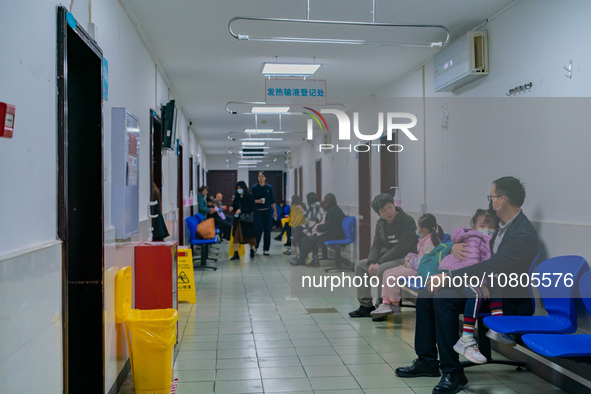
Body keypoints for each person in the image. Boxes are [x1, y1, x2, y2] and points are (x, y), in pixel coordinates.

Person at [395, 176, 539, 394]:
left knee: (443, 299)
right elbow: (475, 248)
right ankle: (427, 362)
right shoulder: (497, 225)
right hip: (480, 286)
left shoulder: (523, 233)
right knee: (426, 294)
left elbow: (494, 266)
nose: (490, 202)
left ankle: (453, 373)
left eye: (492, 197)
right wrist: (454, 248)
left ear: (502, 199)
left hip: (503, 298)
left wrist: (448, 277)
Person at [434, 209, 502, 364]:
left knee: (495, 284)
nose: (487, 228)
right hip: (456, 273)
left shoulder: (486, 240)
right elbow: (472, 263)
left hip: (461, 273)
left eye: (491, 226)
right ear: (474, 225)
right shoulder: (476, 238)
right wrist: (481, 284)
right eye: (482, 225)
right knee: (476, 293)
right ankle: (466, 339)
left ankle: (498, 325)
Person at [349, 193, 418, 319]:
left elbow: (402, 247)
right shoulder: (381, 223)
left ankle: (382, 307)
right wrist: (371, 262)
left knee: (382, 269)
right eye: (383, 210)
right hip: (387, 257)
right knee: (360, 266)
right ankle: (365, 306)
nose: (389, 212)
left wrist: (379, 262)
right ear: (379, 213)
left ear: (394, 205)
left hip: (406, 258)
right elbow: (376, 245)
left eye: (390, 207)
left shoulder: (407, 220)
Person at [370, 213, 443, 318]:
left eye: (418, 226)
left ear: (424, 229)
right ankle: (385, 303)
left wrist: (410, 262)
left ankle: (395, 305)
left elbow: (424, 263)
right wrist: (409, 258)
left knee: (391, 277)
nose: (416, 229)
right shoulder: (424, 240)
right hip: (415, 267)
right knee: (386, 272)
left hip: (420, 271)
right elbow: (419, 255)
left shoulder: (430, 243)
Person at [290, 193, 345, 267]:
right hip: (334, 233)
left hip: (334, 235)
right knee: (310, 238)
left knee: (308, 239)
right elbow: (329, 225)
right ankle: (310, 259)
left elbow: (328, 226)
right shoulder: (334, 209)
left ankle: (302, 259)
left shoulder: (331, 211)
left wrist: (317, 227)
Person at [290, 193, 324, 259]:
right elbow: (311, 219)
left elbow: (312, 223)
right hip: (315, 228)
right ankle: (301, 254)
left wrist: (303, 211)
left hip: (316, 230)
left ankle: (299, 253)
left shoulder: (315, 207)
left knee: (299, 231)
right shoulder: (315, 206)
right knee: (299, 229)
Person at [251, 171, 278, 255]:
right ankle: (256, 246)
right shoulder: (254, 188)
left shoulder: (268, 187)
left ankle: (266, 249)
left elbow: (272, 200)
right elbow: (251, 200)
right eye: (259, 177)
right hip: (257, 212)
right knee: (258, 230)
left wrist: (275, 212)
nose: (260, 178)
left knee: (267, 231)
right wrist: (258, 201)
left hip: (267, 211)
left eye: (262, 176)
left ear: (265, 178)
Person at [229, 181, 256, 260]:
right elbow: (234, 206)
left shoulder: (249, 196)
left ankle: (251, 250)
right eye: (237, 188)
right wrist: (232, 208)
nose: (239, 190)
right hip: (238, 220)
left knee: (250, 236)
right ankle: (236, 253)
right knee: (236, 236)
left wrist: (242, 210)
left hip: (247, 220)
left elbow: (252, 207)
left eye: (240, 188)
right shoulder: (236, 197)